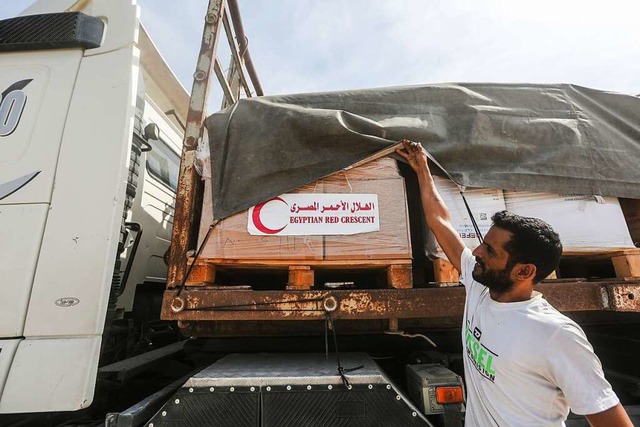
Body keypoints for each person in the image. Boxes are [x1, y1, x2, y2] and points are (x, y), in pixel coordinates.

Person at [396, 139, 633, 426]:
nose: (477, 253)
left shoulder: (555, 335)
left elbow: (611, 419)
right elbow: (440, 221)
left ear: (524, 272)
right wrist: (422, 168)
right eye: (483, 244)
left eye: (490, 251)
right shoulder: (480, 287)